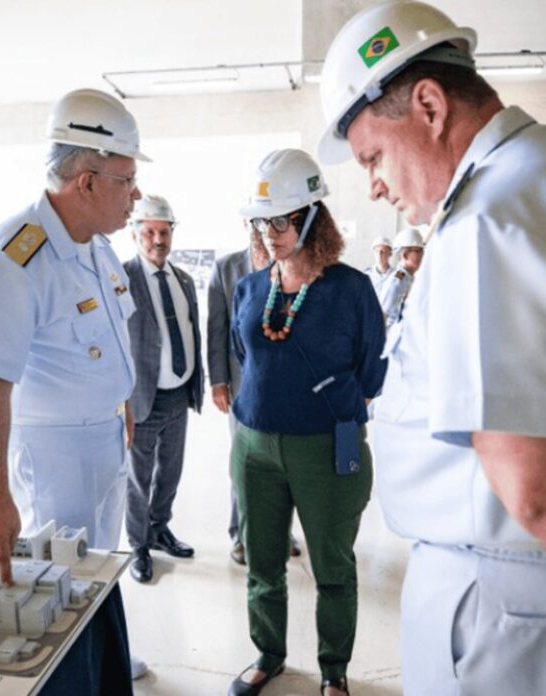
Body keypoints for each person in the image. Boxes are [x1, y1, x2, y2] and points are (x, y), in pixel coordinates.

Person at [318, 1, 546, 693]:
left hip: (492, 599)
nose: (374, 186)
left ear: (428, 106)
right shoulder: (532, 175)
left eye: (373, 157)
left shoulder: (484, 220)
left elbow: (530, 486)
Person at [0, 88, 149, 694]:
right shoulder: (17, 255)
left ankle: (102, 667)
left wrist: (120, 405)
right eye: (127, 179)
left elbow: (110, 343)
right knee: (54, 587)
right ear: (87, 181)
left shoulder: (96, 247)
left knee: (97, 569)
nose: (136, 194)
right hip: (53, 457)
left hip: (103, 441)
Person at [228, 149, 386, 696]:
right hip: (254, 448)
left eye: (281, 222)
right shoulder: (250, 289)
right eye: (260, 223)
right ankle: (268, 654)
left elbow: (371, 373)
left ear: (313, 218)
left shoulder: (352, 290)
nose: (268, 234)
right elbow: (249, 358)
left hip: (325, 450)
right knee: (262, 564)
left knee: (333, 569)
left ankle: (334, 671)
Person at [207, 221, 302, 565]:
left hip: (285, 384)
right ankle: (241, 535)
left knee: (284, 461)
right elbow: (216, 327)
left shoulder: (292, 263)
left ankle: (280, 532)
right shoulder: (226, 268)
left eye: (272, 221)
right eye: (257, 223)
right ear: (248, 226)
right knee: (245, 463)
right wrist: (218, 380)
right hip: (242, 385)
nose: (265, 231)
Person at [124, 194, 204, 583]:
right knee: (138, 478)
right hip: (142, 397)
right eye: (150, 232)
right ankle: (138, 544)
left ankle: (159, 528)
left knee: (170, 470)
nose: (158, 240)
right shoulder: (122, 279)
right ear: (135, 234)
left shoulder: (182, 280)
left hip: (178, 394)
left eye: (165, 232)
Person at [378, 227, 424, 328]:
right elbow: (382, 315)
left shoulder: (409, 278)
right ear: (405, 255)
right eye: (418, 251)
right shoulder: (397, 281)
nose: (422, 255)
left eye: (422, 250)